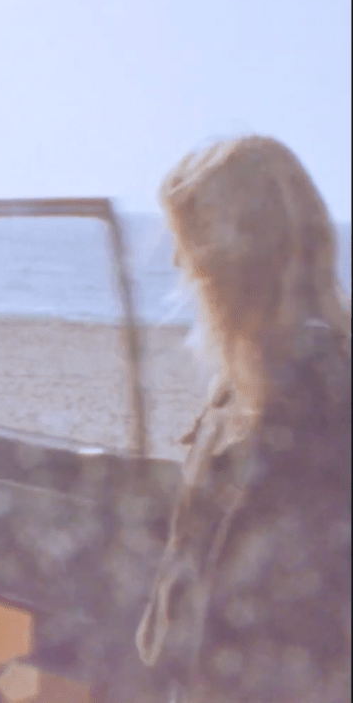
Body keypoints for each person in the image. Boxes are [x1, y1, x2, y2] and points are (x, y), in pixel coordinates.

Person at [135, 135, 352, 702]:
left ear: (231, 266)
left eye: (188, 247)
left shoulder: (314, 409)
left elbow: (280, 623)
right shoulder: (242, 393)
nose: (179, 265)